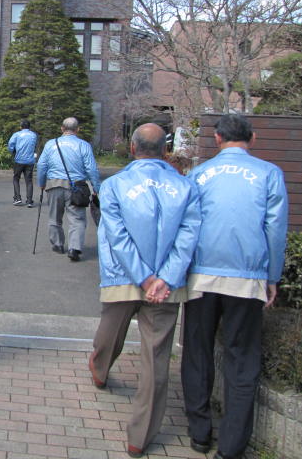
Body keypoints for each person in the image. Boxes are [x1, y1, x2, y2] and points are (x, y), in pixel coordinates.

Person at [90, 123, 201, 458]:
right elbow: (188, 236)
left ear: (132, 148)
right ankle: (140, 437)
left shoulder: (114, 185)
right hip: (167, 285)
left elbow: (117, 235)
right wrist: (164, 278)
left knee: (109, 332)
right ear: (165, 150)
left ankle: (99, 368)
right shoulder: (185, 186)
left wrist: (143, 278)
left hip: (124, 276)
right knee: (156, 358)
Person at [181, 114, 288, 459]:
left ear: (217, 139)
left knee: (197, 351)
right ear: (252, 139)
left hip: (201, 274)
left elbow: (187, 225)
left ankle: (199, 432)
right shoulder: (269, 174)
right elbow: (275, 229)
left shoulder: (199, 174)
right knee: (241, 358)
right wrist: (272, 277)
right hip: (247, 276)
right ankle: (231, 447)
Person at [36, 117, 101, 261]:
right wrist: (96, 187)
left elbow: (41, 165)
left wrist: (41, 182)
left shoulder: (51, 144)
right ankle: (74, 248)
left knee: (54, 217)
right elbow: (91, 168)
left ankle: (58, 244)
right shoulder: (83, 145)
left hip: (54, 184)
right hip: (76, 186)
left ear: (62, 128)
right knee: (77, 219)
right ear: (77, 129)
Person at [7, 120, 38, 207]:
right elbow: (35, 145)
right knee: (29, 180)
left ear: (21, 127)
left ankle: (17, 198)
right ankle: (29, 201)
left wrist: (12, 151)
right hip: (30, 161)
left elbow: (10, 145)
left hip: (19, 160)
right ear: (29, 127)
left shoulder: (16, 134)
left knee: (16, 178)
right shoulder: (34, 135)